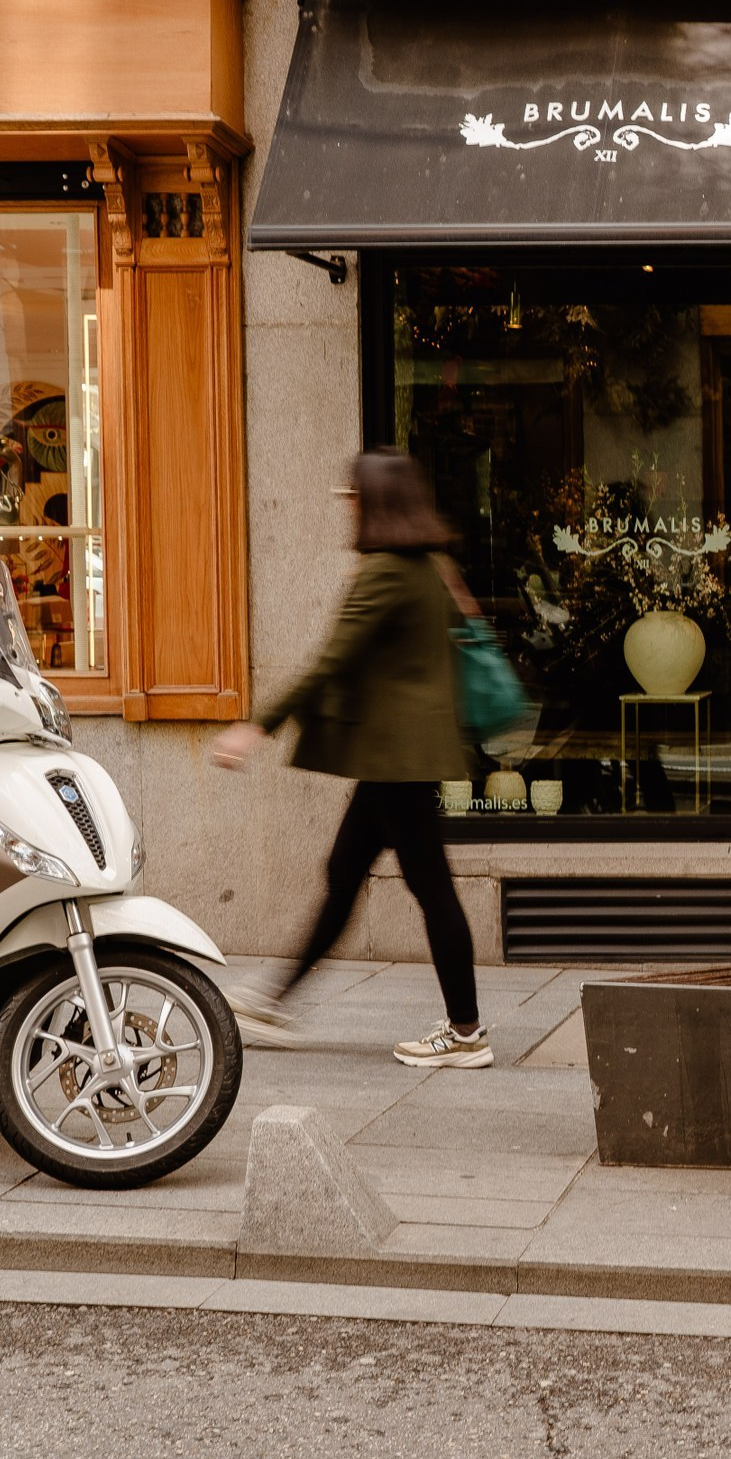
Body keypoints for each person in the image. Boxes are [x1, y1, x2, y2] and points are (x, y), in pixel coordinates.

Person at [208, 449, 489, 1069]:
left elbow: (331, 661)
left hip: (396, 757)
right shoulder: (429, 566)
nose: (347, 506)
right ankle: (277, 998)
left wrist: (257, 726)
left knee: (430, 887)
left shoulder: (387, 572)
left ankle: (466, 1032)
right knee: (345, 869)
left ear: (376, 504)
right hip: (398, 754)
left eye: (352, 497)